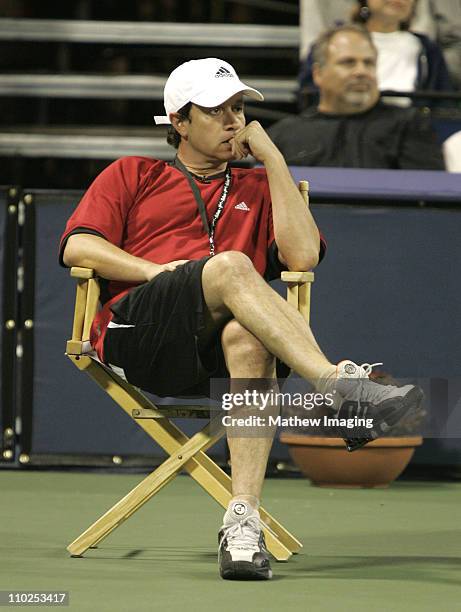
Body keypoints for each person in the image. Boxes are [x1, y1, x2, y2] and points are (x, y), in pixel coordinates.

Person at [59, 57, 423, 580]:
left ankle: (243, 522)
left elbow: (302, 260)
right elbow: (78, 245)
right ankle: (338, 388)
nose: (234, 120)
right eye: (216, 110)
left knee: (248, 339)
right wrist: (157, 270)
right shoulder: (134, 173)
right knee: (231, 265)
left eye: (239, 108)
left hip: (208, 351)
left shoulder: (258, 186)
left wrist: (273, 158)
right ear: (179, 121)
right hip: (137, 334)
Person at [271, 25, 445, 169]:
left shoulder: (409, 125)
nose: (361, 72)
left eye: (369, 63)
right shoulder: (284, 135)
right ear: (318, 74)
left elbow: (428, 199)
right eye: (348, 62)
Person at [299, 0, 454, 108]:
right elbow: (310, 94)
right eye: (349, 62)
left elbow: (444, 105)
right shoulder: (335, 39)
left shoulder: (427, 49)